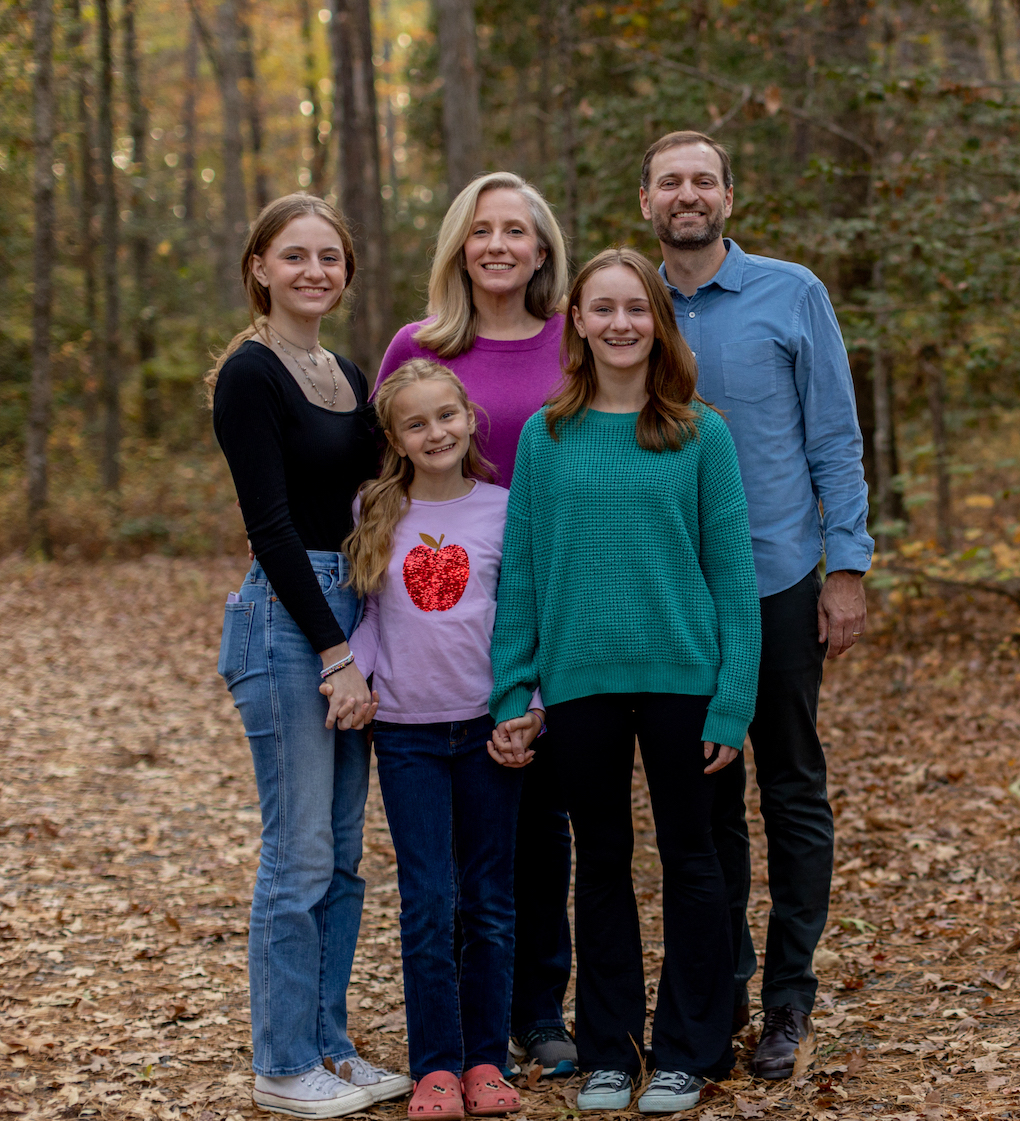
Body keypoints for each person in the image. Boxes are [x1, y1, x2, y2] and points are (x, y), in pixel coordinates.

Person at [488, 247, 762, 1114]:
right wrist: (511, 691)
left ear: (659, 321)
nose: (619, 324)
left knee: (692, 860)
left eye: (636, 309)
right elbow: (522, 575)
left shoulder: (699, 433)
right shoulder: (547, 434)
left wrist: (733, 696)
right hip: (578, 683)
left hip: (685, 679)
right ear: (578, 322)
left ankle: (690, 1048)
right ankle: (610, 1049)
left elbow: (733, 578)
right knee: (600, 862)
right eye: (601, 308)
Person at [638, 130, 874, 1078]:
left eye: (702, 179)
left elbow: (836, 434)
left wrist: (847, 566)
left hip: (777, 580)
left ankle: (788, 997)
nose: (687, 195)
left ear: (729, 194)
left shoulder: (792, 292)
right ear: (646, 201)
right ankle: (721, 981)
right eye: (670, 183)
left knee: (791, 786)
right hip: (672, 598)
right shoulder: (625, 304)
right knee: (704, 798)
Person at [209, 194, 412, 1118]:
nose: (314, 272)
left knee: (340, 854)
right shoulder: (250, 375)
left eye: (330, 258)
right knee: (295, 855)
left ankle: (330, 1045)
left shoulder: (348, 369)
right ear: (260, 266)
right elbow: (272, 524)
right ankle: (282, 1058)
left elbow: (370, 496)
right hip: (290, 622)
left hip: (353, 609)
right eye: (295, 256)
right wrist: (333, 651)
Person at [374, 171, 578, 1079]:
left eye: (517, 230)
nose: (498, 245)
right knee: (456, 857)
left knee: (541, 823)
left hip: (560, 598)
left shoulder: (575, 335)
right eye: (482, 230)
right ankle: (457, 1039)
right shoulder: (419, 345)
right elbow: (380, 478)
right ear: (460, 245)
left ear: (541, 248)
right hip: (440, 643)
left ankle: (538, 1012)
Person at [345, 359, 543, 1119]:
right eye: (416, 423)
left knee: (490, 901)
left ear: (469, 417)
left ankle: (487, 1060)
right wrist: (352, 675)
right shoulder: (376, 506)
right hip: (406, 735)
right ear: (395, 438)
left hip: (490, 730)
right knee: (429, 901)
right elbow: (369, 620)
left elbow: (525, 616)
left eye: (445, 416)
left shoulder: (505, 507)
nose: (436, 432)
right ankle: (434, 1066)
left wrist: (527, 708)